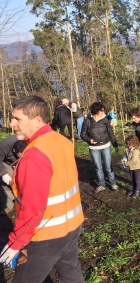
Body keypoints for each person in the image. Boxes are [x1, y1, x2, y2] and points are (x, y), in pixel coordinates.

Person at [0, 95, 84, 282]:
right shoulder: (61, 141)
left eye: (17, 119)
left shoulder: (33, 156)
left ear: (37, 120)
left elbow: (32, 208)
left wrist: (15, 243)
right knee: (71, 273)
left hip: (45, 235)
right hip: (72, 225)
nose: (12, 123)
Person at [81, 102, 119, 193]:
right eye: (102, 110)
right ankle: (102, 184)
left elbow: (110, 132)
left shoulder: (105, 119)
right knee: (98, 167)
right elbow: (82, 134)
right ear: (97, 111)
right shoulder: (87, 121)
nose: (103, 112)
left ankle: (113, 183)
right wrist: (89, 140)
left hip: (105, 146)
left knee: (108, 166)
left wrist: (115, 145)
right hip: (94, 149)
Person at [0, 133, 25, 215]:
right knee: (8, 182)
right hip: (6, 162)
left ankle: (24, 202)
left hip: (23, 162)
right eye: (19, 155)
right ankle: (9, 205)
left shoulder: (29, 142)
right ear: (14, 150)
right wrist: (4, 174)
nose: (20, 156)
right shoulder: (4, 145)